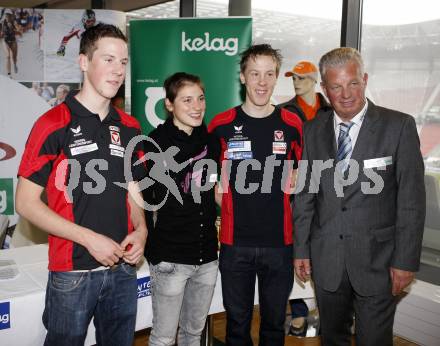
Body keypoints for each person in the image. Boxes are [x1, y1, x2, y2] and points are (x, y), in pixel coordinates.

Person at [15, 23, 147, 346]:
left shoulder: (130, 126)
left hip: (123, 269)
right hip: (72, 273)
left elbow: (132, 187)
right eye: (108, 59)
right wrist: (89, 239)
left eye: (123, 62)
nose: (118, 71)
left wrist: (142, 228)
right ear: (84, 62)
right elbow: (25, 203)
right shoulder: (52, 124)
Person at [293, 47, 425, 346]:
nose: (346, 93)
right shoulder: (313, 130)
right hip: (327, 259)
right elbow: (306, 193)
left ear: (364, 79)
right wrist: (301, 248)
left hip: (379, 261)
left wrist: (405, 261)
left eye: (353, 83)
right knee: (333, 339)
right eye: (336, 86)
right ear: (325, 90)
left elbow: (411, 201)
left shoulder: (399, 126)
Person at [209, 44, 303, 345]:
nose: (261, 82)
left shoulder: (292, 125)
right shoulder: (221, 125)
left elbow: (301, 179)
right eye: (254, 74)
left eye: (269, 74)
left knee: (274, 326)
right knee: (237, 326)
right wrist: (231, 209)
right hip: (236, 246)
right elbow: (212, 183)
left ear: (276, 78)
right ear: (242, 77)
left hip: (280, 245)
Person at [143, 72, 219, 346]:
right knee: (163, 338)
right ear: (169, 104)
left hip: (207, 257)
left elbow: (213, 191)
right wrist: (154, 252)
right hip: (171, 258)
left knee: (193, 335)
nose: (196, 106)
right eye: (187, 100)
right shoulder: (154, 144)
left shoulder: (210, 142)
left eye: (200, 98)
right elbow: (142, 201)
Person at [280, 60, 331, 337]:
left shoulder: (332, 108)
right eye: (294, 79)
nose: (296, 83)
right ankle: (298, 311)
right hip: (295, 187)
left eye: (301, 78)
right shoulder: (284, 112)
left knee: (326, 245)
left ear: (313, 80)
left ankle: (325, 307)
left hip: (329, 187)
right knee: (294, 246)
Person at [1, 9, 20, 78]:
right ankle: (9, 74)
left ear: (11, 16)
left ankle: (15, 64)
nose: (7, 16)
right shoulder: (2, 22)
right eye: (6, 15)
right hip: (5, 41)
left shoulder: (14, 22)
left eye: (9, 15)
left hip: (13, 41)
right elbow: (1, 32)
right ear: (5, 15)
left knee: (14, 57)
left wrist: (13, 28)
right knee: (8, 56)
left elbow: (19, 30)